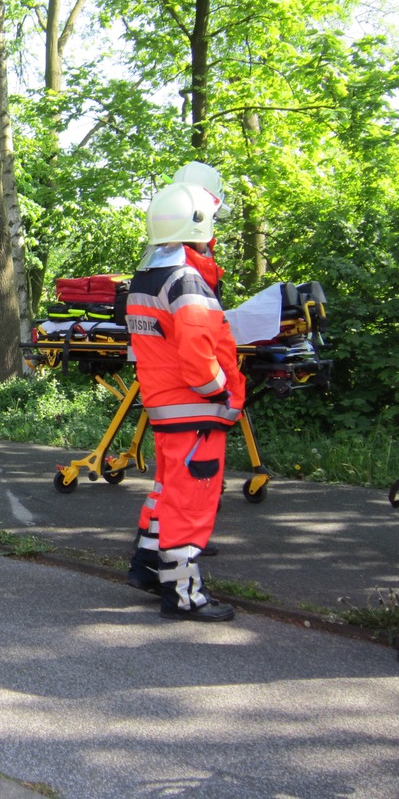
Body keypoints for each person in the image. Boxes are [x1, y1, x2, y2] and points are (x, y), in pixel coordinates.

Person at [124, 165, 246, 622]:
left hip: (166, 405)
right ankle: (184, 594)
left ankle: (148, 564)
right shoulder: (187, 281)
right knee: (190, 503)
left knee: (167, 492)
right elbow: (198, 357)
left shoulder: (147, 279)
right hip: (196, 407)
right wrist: (224, 395)